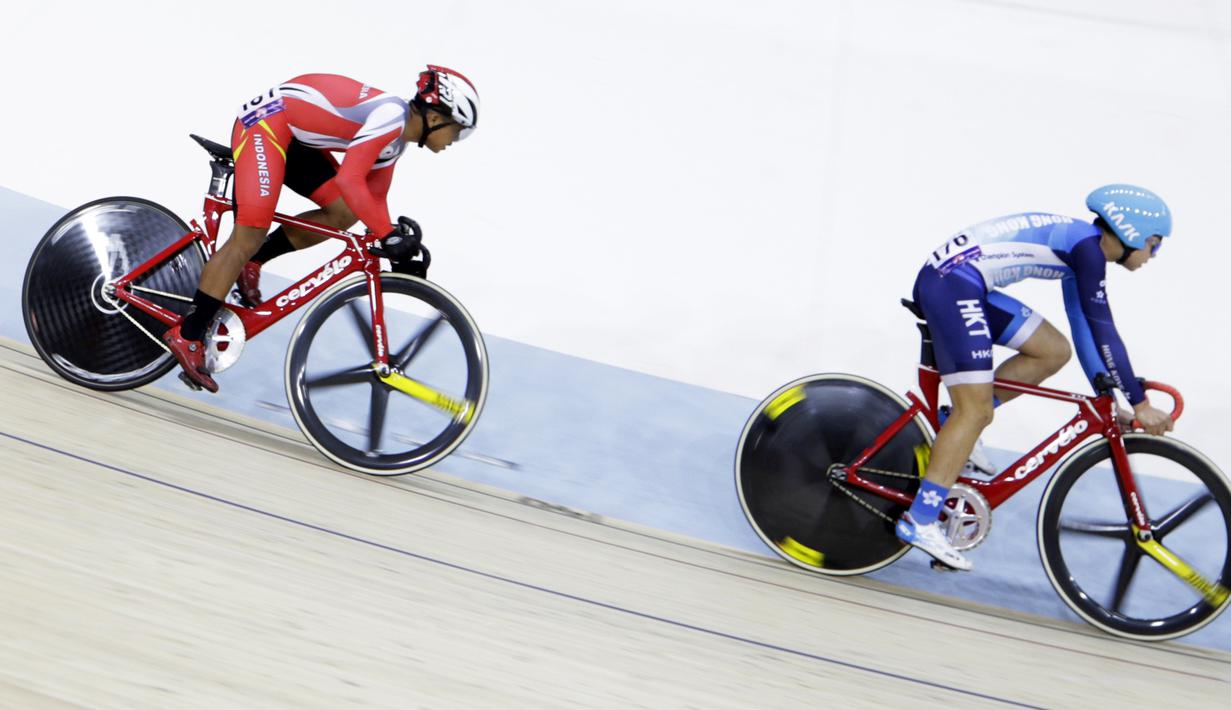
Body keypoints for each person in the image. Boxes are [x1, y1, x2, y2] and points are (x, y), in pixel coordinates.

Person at [897, 185, 1176, 570]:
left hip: (959, 279)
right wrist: (1141, 404)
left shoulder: (1085, 248)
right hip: (953, 282)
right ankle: (921, 519)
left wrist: (1109, 397)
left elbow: (1084, 328)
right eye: (1155, 244)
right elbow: (1104, 329)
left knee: (1052, 350)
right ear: (1131, 233)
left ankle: (950, 425)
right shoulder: (1087, 251)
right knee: (975, 412)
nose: (1154, 255)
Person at [162, 66, 479, 392]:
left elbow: (372, 199)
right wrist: (389, 235)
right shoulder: (391, 117)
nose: (455, 141)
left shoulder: (397, 140)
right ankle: (188, 335)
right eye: (459, 131)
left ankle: (254, 263)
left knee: (343, 213)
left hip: (296, 134)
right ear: (437, 117)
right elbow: (349, 179)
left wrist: (397, 253)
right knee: (249, 233)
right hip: (267, 123)